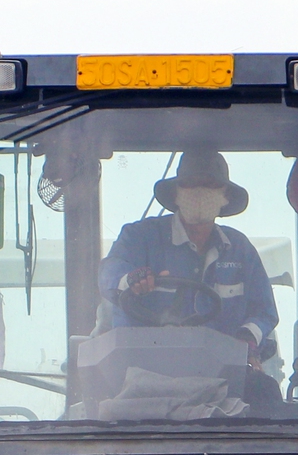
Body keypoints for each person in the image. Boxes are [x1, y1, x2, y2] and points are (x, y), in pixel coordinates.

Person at [98, 150, 280, 361]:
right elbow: (109, 272)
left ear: (225, 196)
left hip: (221, 380)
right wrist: (131, 279)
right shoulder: (138, 237)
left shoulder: (240, 250)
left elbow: (265, 312)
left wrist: (247, 336)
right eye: (190, 183)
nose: (199, 192)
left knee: (266, 391)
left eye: (210, 185)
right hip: (137, 379)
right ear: (176, 192)